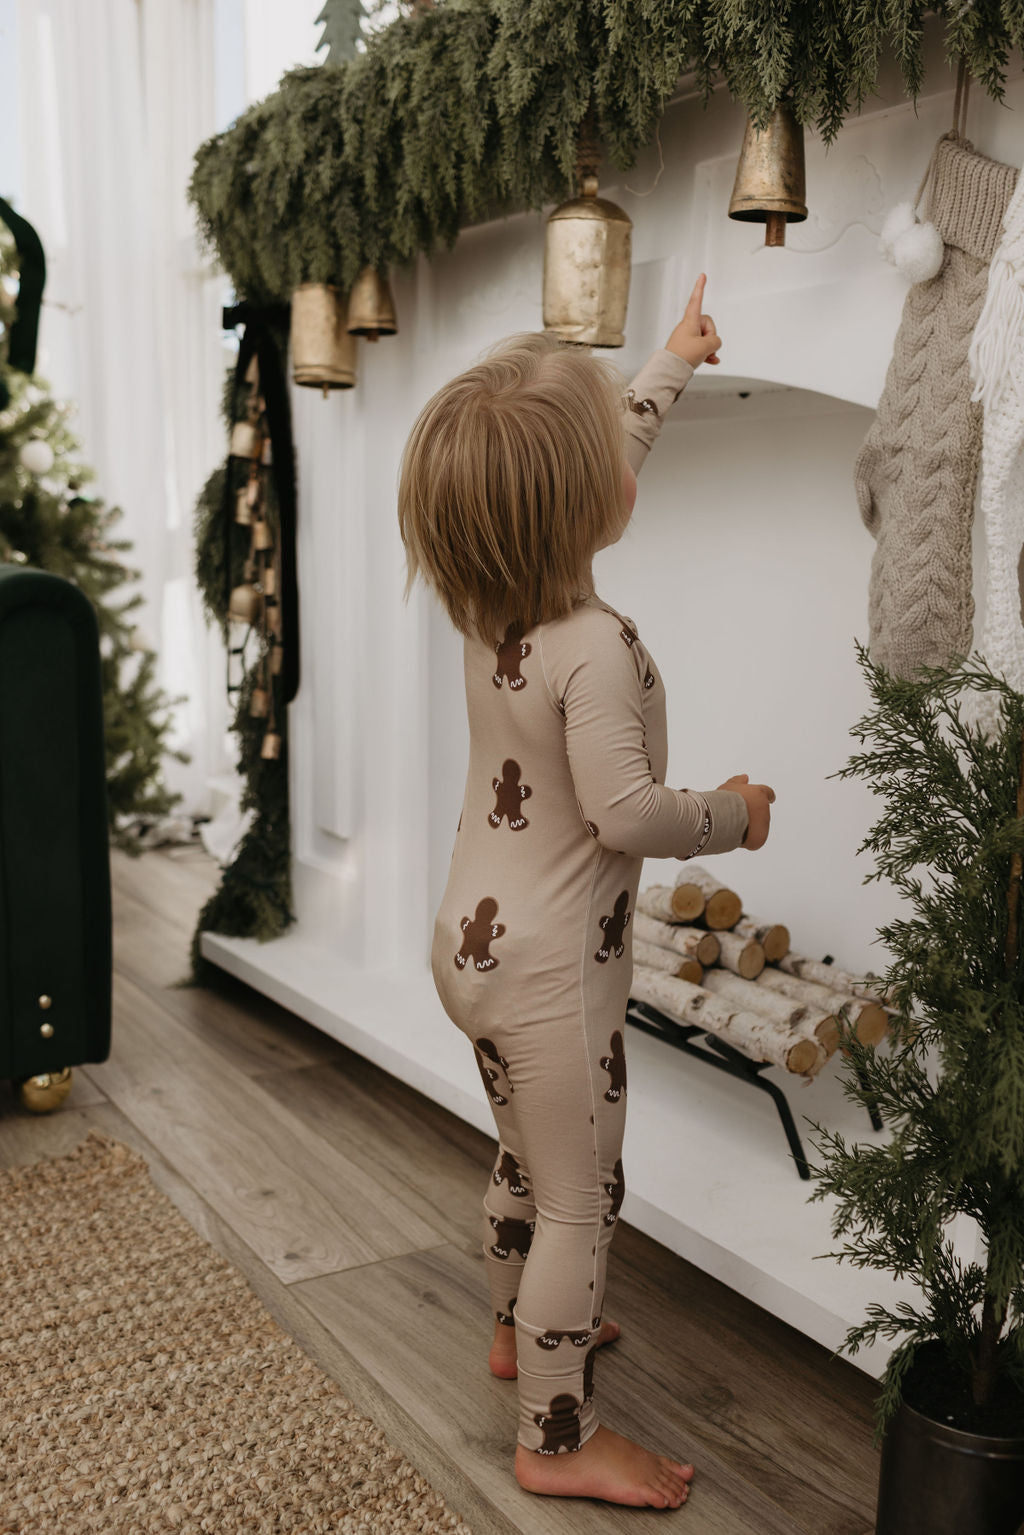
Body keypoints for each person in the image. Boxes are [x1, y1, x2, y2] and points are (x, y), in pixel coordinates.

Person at [397, 274, 775, 1510]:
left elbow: (604, 452)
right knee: (582, 1196)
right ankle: (553, 1436)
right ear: (582, 512)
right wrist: (732, 812)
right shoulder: (596, 650)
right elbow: (626, 815)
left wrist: (669, 361)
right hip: (555, 969)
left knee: (523, 1152)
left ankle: (519, 1327)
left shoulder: (489, 603)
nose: (629, 451)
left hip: (470, 945)